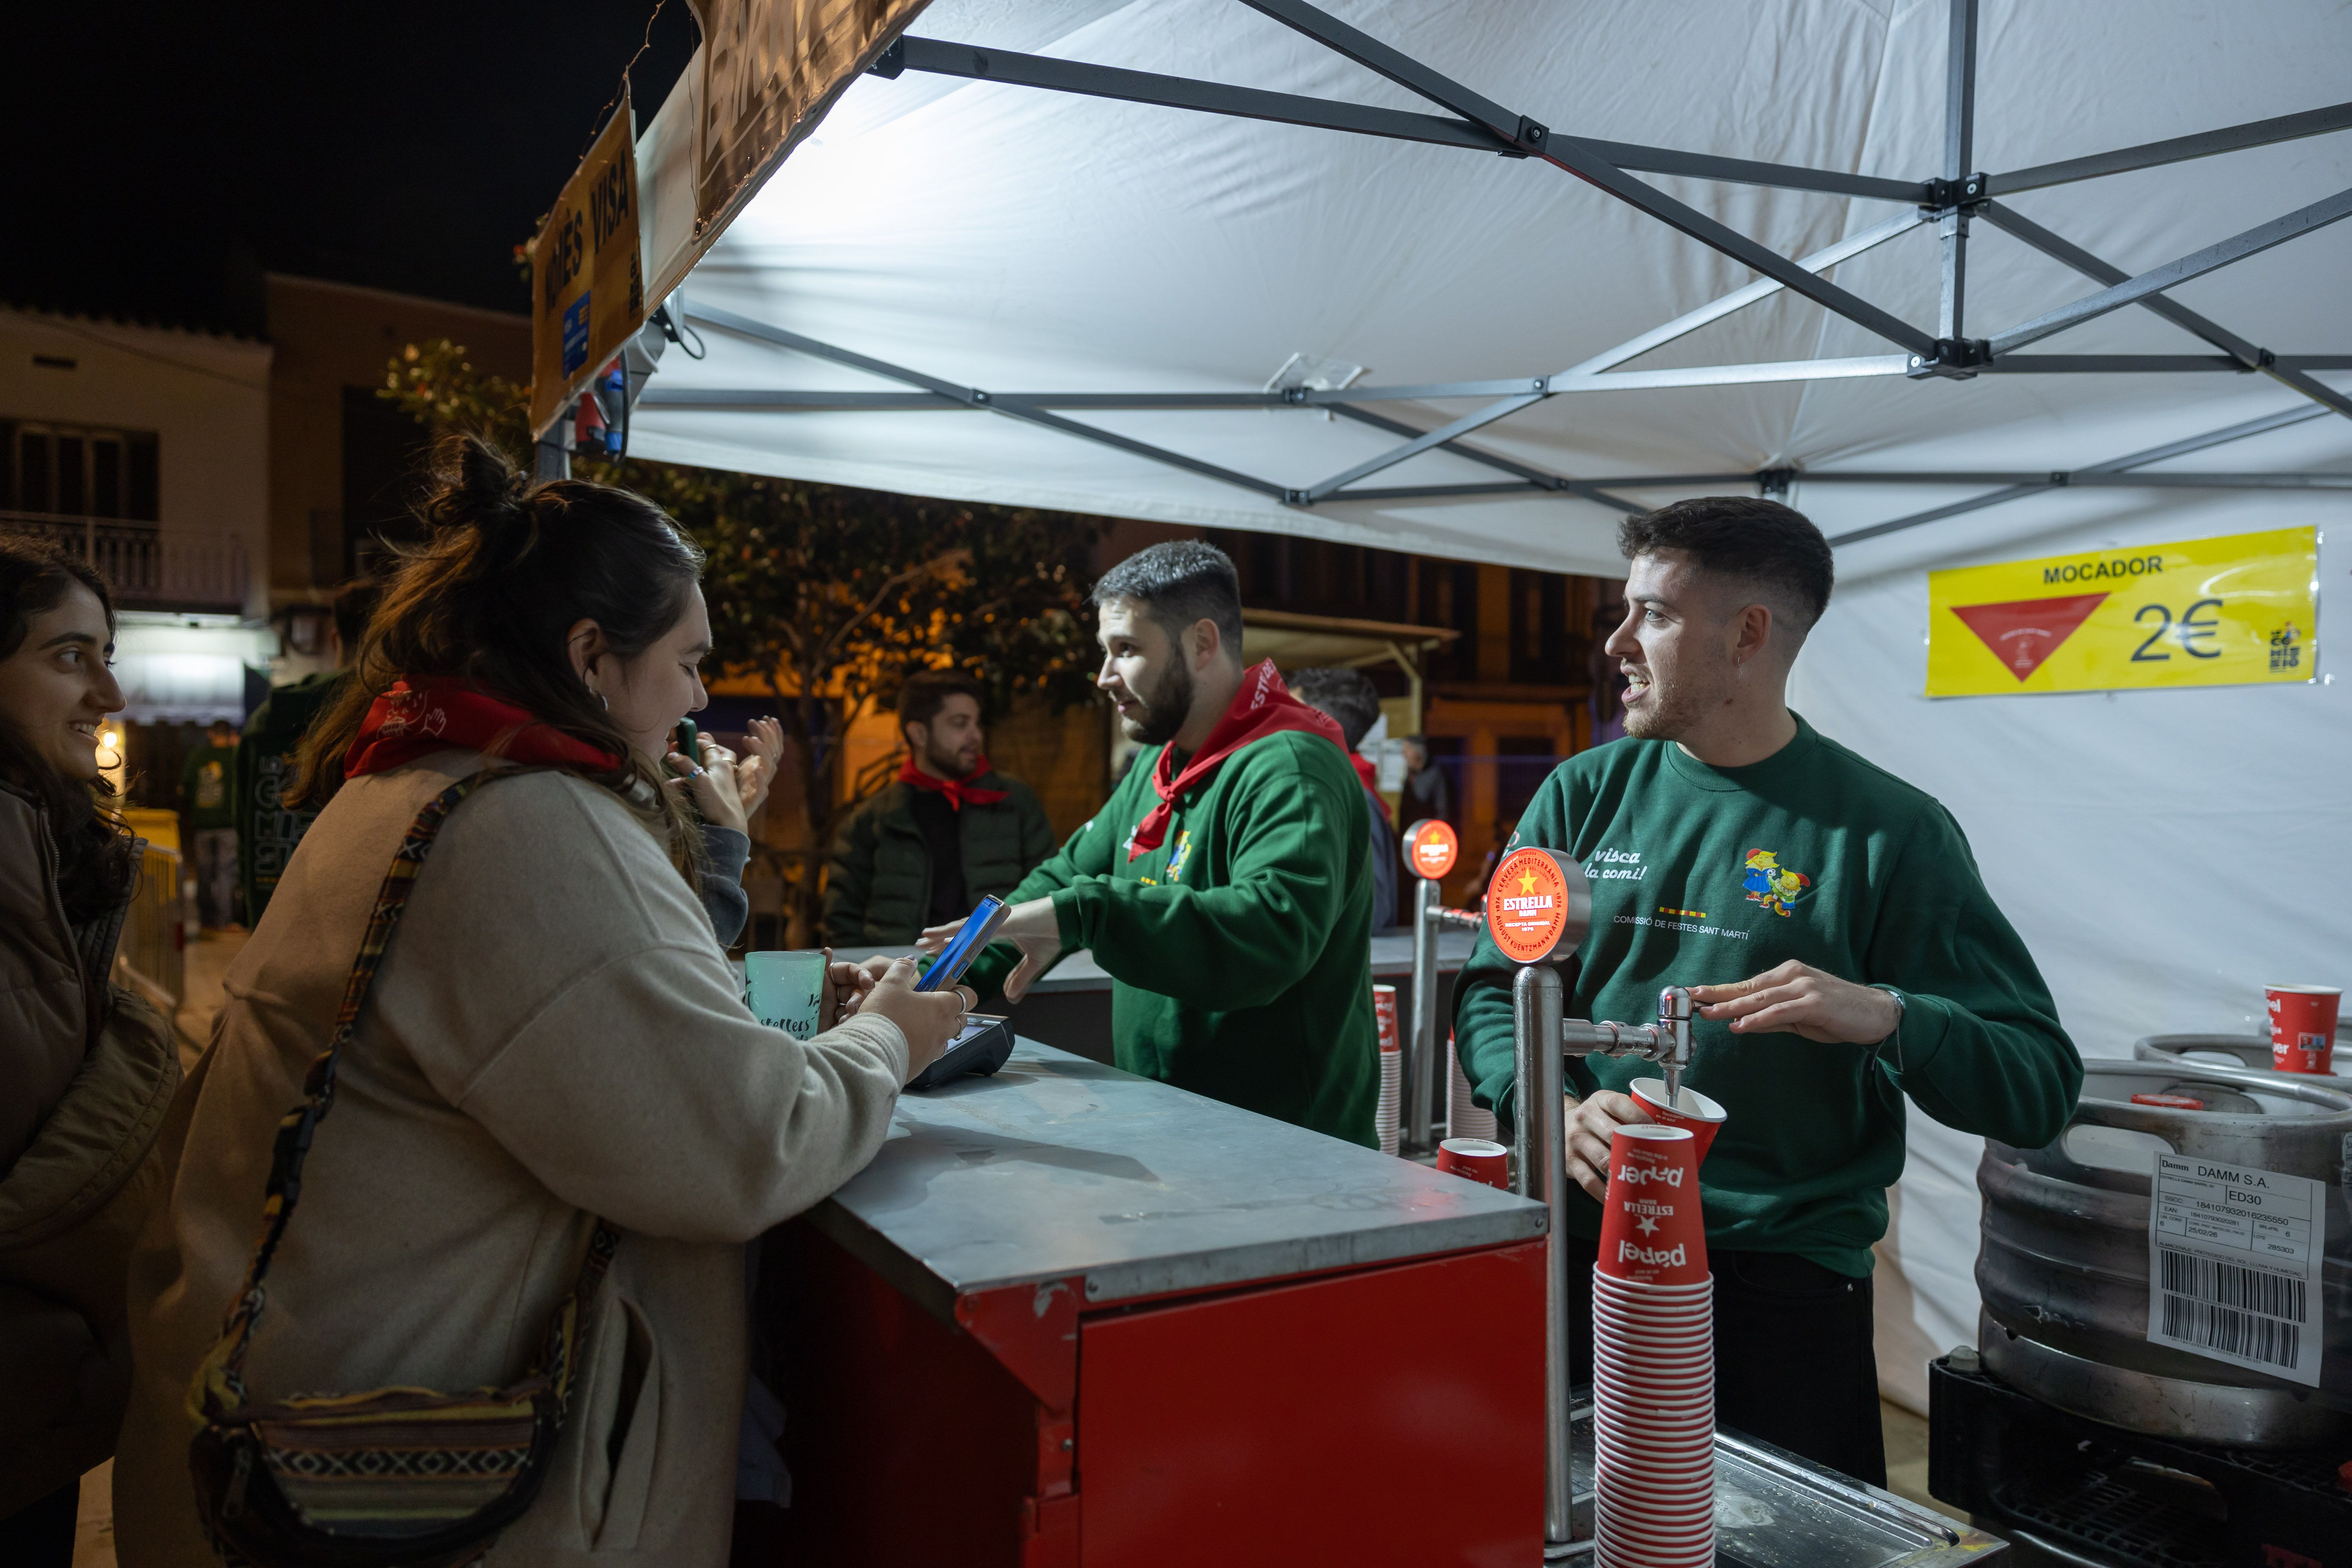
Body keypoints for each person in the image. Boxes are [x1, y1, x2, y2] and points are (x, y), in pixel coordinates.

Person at [113, 438, 967, 1567]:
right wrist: (886, 1043)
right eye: (689, 661)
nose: (703, 696)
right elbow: (743, 1140)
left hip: (280, 1406)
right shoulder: (526, 825)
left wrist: (772, 1002)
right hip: (392, 1470)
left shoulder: (421, 778)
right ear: (591, 657)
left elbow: (595, 1030)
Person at [1452, 495, 2080, 1486]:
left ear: (1748, 634)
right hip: (1584, 1252)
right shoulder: (1582, 794)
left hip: (1783, 1290)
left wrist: (1889, 1016)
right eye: (1624, 611)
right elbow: (1495, 992)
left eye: (1652, 614)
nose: (1617, 640)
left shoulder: (1888, 833)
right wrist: (1552, 1106)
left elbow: (2038, 1083)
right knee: (1580, 1522)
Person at [925, 540, 1381, 1145]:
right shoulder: (1156, 766)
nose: (1104, 677)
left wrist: (1087, 914)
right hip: (1166, 1127)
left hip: (1287, 1148)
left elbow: (1271, 933)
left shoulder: (1291, 766)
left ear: (1201, 643)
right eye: (1105, 653)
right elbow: (1062, 881)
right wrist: (935, 983)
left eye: (1127, 650)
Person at [0, 534, 180, 1565]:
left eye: (106, 656)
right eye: (69, 657)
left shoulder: (50, 861)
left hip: (33, 1409)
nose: (106, 692)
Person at [825, 669, 1056, 945]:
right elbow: (842, 925)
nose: (976, 736)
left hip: (995, 970)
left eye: (977, 723)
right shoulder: (872, 820)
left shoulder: (1014, 802)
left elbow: (1049, 892)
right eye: (960, 724)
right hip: (901, 976)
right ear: (919, 734)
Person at [237, 576, 382, 924]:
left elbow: (245, 837)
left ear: (335, 640)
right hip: (350, 934)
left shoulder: (262, 725)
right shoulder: (384, 718)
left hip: (273, 930)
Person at [1288, 666, 1398, 933]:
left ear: (1322, 727)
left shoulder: (1350, 797)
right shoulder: (1331, 788)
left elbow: (1375, 910)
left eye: (1290, 713)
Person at [178, 717, 239, 929]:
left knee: (204, 872)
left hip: (203, 824)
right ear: (231, 735)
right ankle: (224, 920)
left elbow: (185, 789)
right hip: (228, 824)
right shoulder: (235, 756)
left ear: (210, 734)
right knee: (226, 872)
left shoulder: (198, 757)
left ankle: (205, 919)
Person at [1397, 733, 1452, 832]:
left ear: (1419, 752)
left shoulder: (1435, 774)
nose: (1404, 753)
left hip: (1429, 836)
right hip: (1410, 834)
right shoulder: (1410, 775)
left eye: (1408, 749)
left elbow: (1443, 809)